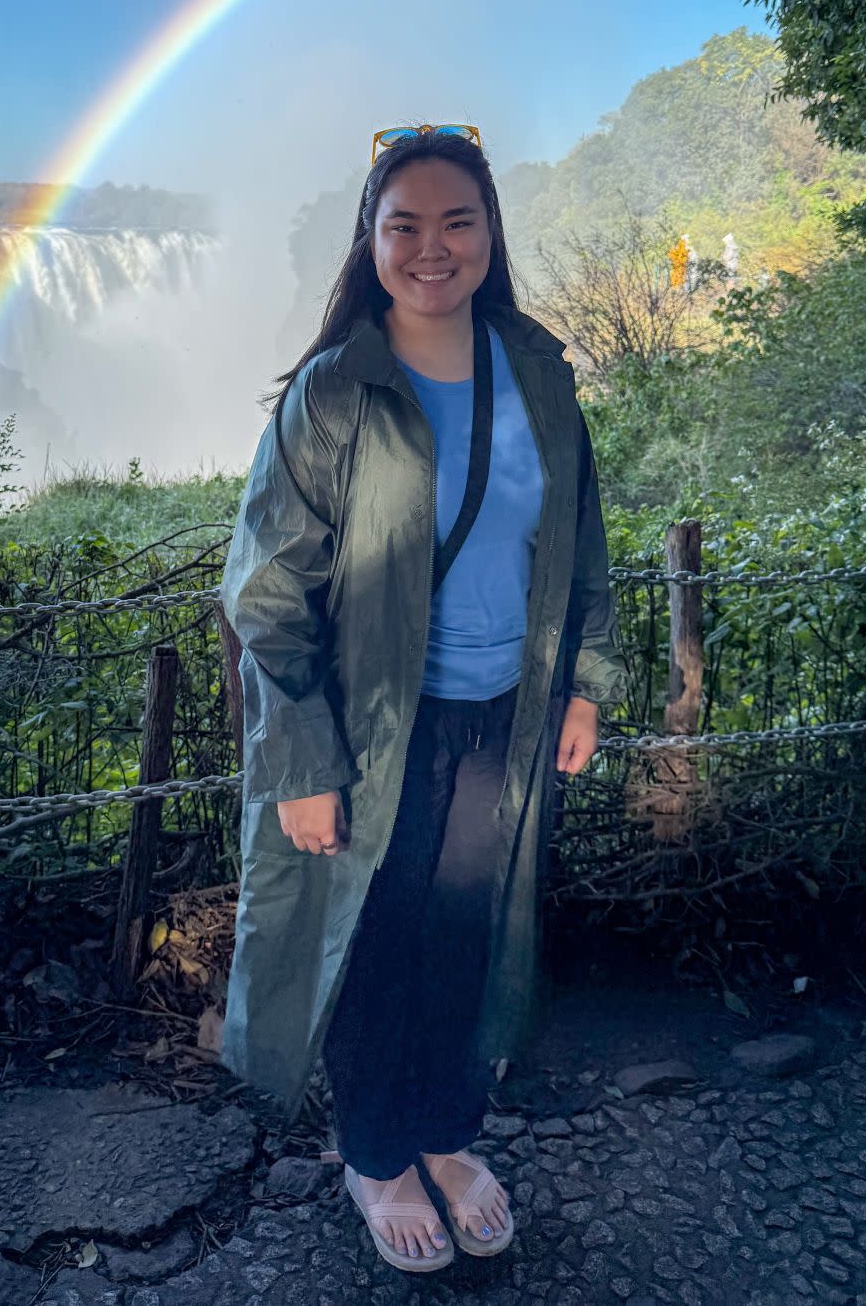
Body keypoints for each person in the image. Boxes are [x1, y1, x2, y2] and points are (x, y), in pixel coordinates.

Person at [218, 123, 625, 1273]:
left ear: (490, 234)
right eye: (404, 225)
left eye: (456, 221)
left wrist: (585, 684)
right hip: (373, 729)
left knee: (463, 932)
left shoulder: (536, 371)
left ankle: (448, 1129)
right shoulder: (338, 391)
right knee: (373, 941)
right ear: (371, 239)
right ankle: (378, 1151)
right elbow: (264, 593)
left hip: (509, 711)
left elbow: (579, 539)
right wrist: (302, 760)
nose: (431, 247)